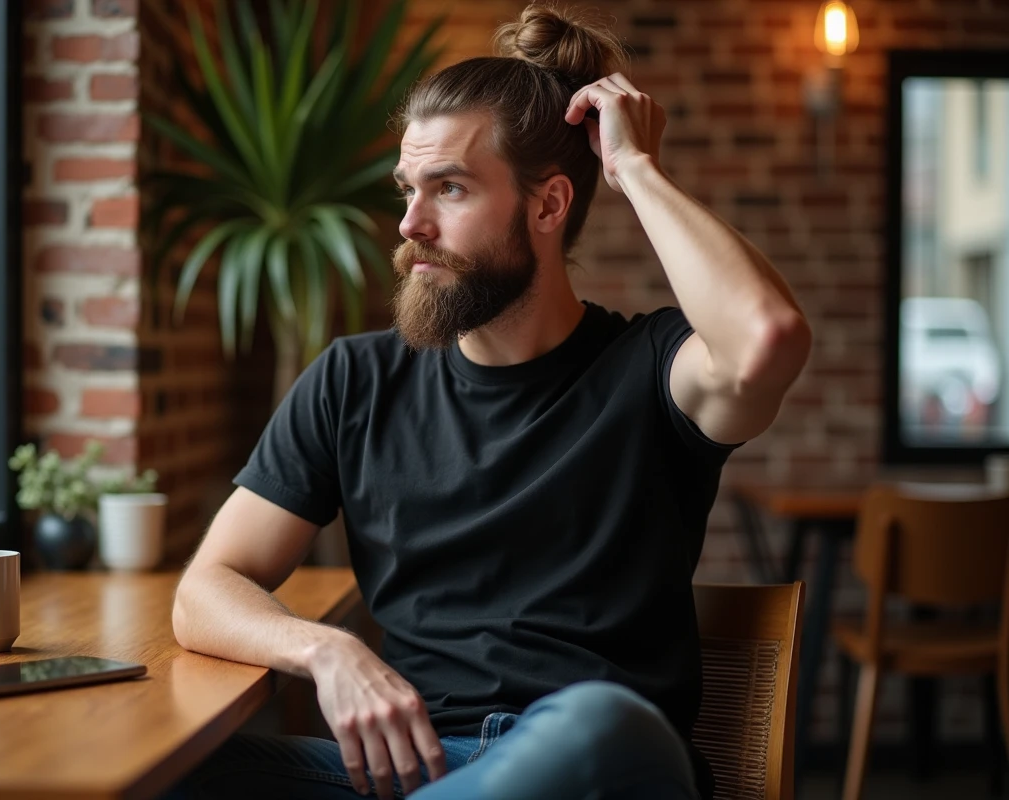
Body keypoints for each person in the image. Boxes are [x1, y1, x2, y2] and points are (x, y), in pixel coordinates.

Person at [168, 4, 811, 799]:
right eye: (409, 188)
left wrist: (635, 170)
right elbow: (206, 590)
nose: (410, 224)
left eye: (451, 189)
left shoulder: (652, 370)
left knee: (603, 726)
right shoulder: (353, 381)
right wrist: (328, 651)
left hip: (595, 764)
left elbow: (769, 337)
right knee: (170, 774)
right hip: (412, 771)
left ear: (548, 206)